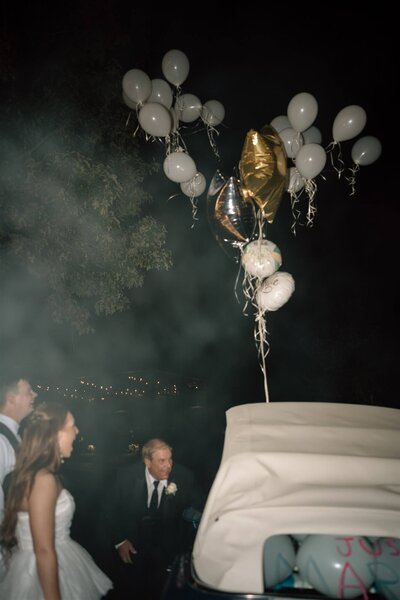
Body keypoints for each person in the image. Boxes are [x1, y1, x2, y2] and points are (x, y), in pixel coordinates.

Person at [0, 401, 113, 599]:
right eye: (72, 425)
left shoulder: (36, 474)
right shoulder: (44, 480)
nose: (77, 431)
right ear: (56, 434)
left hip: (56, 559)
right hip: (41, 568)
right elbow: (43, 550)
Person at [107, 438, 205, 600]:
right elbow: (109, 511)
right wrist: (120, 540)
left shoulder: (184, 476)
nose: (168, 465)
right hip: (132, 545)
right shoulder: (125, 477)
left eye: (170, 459)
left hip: (167, 550)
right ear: (147, 462)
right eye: (162, 461)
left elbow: (201, 504)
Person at [0, 377, 37, 521]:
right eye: (29, 391)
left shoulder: (13, 436)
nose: (35, 395)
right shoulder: (1, 440)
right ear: (11, 398)